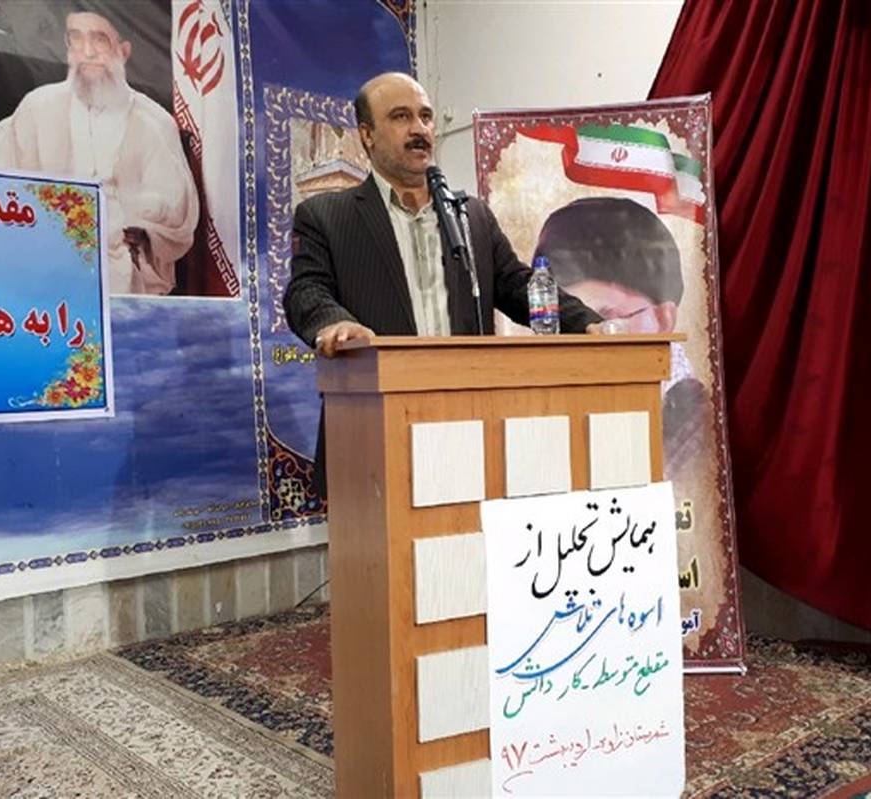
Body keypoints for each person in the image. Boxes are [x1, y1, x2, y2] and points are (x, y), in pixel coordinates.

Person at [283, 72, 603, 498]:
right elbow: (306, 290)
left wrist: (586, 322)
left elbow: (516, 283)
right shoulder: (326, 216)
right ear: (367, 134)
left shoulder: (470, 215)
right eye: (401, 117)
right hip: (374, 432)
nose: (419, 129)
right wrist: (334, 323)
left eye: (426, 116)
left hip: (470, 428)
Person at [0, 8, 198, 296]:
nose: (87, 52)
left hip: (119, 263)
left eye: (99, 40)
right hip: (43, 253)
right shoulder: (38, 107)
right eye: (76, 38)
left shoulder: (153, 123)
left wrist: (130, 222)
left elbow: (174, 209)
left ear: (123, 51)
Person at [534, 197, 711, 483]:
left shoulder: (693, 419)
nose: (586, 344)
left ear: (663, 319)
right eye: (570, 327)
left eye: (607, 323)